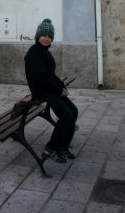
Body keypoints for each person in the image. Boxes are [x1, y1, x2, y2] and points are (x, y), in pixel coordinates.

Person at [24, 18, 78, 163]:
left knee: (73, 111)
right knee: (66, 115)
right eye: (44, 35)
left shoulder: (45, 53)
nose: (47, 39)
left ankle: (63, 147)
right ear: (38, 36)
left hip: (50, 89)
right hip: (41, 91)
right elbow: (40, 78)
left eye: (49, 36)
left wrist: (61, 86)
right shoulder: (33, 53)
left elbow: (51, 75)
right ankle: (51, 148)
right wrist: (58, 90)